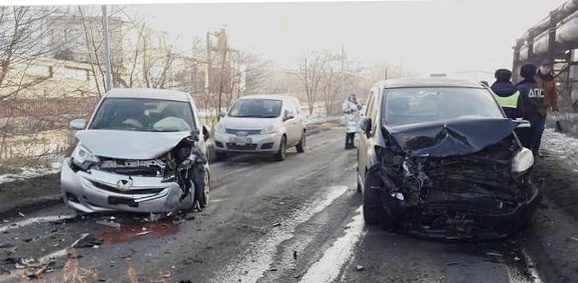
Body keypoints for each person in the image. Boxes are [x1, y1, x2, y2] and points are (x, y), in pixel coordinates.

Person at [516, 63, 547, 157]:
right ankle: (535, 152)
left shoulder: (519, 88)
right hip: (539, 116)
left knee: (524, 138)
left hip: (525, 116)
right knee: (536, 136)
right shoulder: (540, 87)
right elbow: (545, 101)